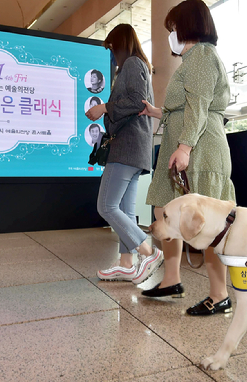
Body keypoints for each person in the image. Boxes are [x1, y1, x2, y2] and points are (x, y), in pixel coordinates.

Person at [139, 0, 236, 316]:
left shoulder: (202, 56)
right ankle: (171, 279)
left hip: (199, 148)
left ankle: (220, 294)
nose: (171, 35)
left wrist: (185, 147)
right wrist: (158, 112)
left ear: (188, 26)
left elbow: (198, 107)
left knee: (207, 223)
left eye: (173, 28)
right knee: (165, 212)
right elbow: (187, 106)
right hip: (187, 145)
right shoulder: (194, 59)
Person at [84, 24, 163, 283]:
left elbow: (137, 102)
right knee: (126, 213)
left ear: (119, 44)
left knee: (106, 205)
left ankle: (147, 253)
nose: (110, 55)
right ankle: (127, 264)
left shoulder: (131, 64)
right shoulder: (139, 65)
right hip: (136, 147)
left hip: (127, 146)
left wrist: (105, 107)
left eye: (111, 48)